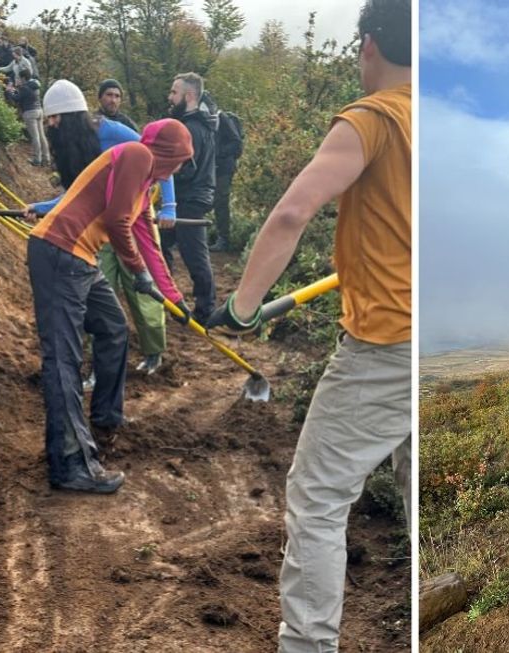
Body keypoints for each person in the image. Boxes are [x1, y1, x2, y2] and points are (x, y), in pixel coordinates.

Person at [204, 0, 410, 648]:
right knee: (421, 490)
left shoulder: (373, 118)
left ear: (369, 46)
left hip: (385, 345)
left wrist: (242, 306)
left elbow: (294, 210)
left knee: (317, 498)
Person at [26, 118, 193, 493]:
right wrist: (137, 273)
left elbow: (147, 242)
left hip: (81, 260)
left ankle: (104, 424)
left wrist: (176, 300)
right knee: (63, 359)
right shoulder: (137, 155)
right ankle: (70, 465)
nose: (179, 168)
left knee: (114, 329)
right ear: (168, 153)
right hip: (59, 254)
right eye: (181, 160)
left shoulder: (145, 185)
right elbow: (117, 221)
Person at [27, 79, 183, 377]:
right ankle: (98, 366)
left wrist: (169, 206)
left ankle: (153, 352)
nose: (51, 126)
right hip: (97, 227)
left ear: (71, 118)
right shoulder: (70, 145)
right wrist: (43, 207)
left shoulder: (110, 131)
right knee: (99, 295)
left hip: (132, 215)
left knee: (142, 289)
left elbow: (160, 159)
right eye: (49, 120)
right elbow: (79, 194)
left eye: (55, 119)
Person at [164, 72, 217, 323]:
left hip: (189, 200)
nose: (170, 97)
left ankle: (206, 312)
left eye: (174, 92)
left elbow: (187, 169)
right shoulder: (198, 124)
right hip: (185, 197)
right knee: (160, 246)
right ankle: (167, 299)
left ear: (190, 96)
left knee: (195, 256)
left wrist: (160, 173)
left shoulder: (190, 128)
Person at [208, 106, 244, 252]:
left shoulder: (221, 118)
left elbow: (236, 142)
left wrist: (217, 154)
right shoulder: (209, 118)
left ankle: (224, 239)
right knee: (211, 200)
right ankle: (215, 237)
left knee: (220, 202)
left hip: (223, 168)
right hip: (214, 167)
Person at [4, 69, 49, 167]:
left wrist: (8, 91)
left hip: (30, 113)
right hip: (39, 111)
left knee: (35, 137)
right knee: (42, 136)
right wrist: (15, 91)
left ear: (23, 78)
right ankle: (46, 158)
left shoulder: (24, 88)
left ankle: (37, 160)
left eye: (19, 78)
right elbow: (24, 95)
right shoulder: (34, 86)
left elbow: (16, 98)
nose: (18, 79)